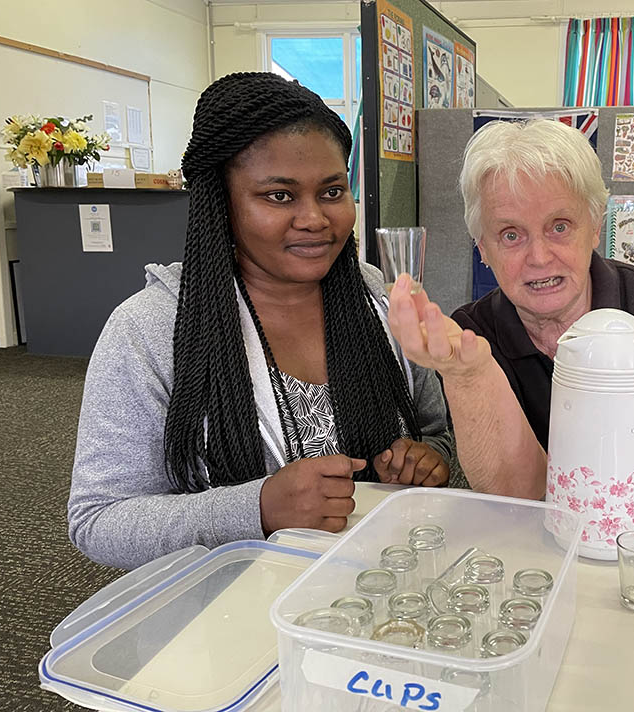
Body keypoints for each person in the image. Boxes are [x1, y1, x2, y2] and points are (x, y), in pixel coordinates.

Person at [70, 73, 453, 570]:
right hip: (231, 612)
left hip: (382, 589)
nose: (315, 218)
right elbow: (98, 521)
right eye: (279, 196)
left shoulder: (377, 299)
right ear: (222, 203)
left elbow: (436, 433)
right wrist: (256, 508)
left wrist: (429, 461)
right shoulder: (150, 329)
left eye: (333, 191)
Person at [388, 118, 634, 552]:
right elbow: (521, 495)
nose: (539, 257)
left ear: (595, 226)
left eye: (560, 226)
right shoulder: (472, 336)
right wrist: (469, 374)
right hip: (544, 556)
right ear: (482, 249)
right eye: (511, 235)